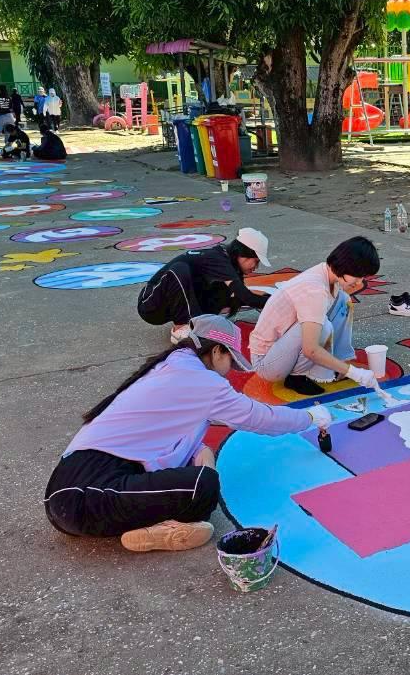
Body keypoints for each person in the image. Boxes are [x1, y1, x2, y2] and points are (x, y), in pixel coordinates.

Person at [43, 315, 332, 552]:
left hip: (71, 492)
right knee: (203, 487)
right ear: (216, 350)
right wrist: (309, 417)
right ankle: (157, 530)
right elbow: (259, 418)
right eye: (230, 360)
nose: (230, 371)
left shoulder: (173, 367)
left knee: (201, 471)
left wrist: (201, 455)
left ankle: (151, 522)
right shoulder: (200, 380)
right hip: (85, 495)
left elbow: (184, 434)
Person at [247, 236, 381, 396]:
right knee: (323, 326)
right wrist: (355, 373)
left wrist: (344, 366)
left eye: (363, 277)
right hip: (267, 363)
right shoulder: (314, 289)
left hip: (282, 347)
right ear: (345, 266)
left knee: (343, 301)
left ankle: (336, 364)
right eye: (358, 275)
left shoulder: (328, 273)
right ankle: (296, 377)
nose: (360, 282)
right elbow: (310, 349)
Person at [138, 228, 273, 343]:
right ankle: (180, 327)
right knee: (180, 269)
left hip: (172, 303)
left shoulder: (227, 263)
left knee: (225, 290)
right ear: (243, 255)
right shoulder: (218, 259)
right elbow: (248, 297)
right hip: (151, 305)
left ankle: (199, 322)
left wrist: (270, 297)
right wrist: (279, 302)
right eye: (256, 261)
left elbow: (242, 295)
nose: (256, 267)